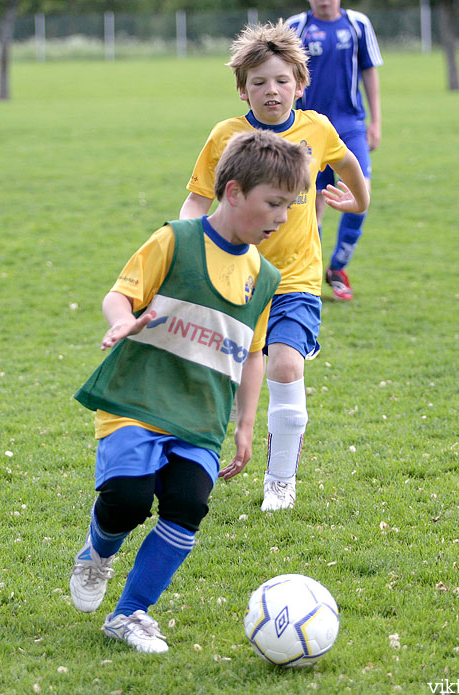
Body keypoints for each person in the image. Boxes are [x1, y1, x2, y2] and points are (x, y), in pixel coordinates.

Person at [69, 130, 310, 654]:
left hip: (201, 414)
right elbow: (120, 295)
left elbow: (251, 355)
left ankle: (130, 613)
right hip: (137, 398)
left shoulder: (265, 277)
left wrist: (246, 424)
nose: (282, 218)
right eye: (274, 203)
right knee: (127, 499)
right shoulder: (174, 240)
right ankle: (98, 549)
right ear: (233, 192)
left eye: (290, 207)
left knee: (187, 503)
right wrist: (120, 324)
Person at [180, 20, 369, 512]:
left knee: (285, 363)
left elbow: (353, 171)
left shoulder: (318, 130)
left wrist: (357, 202)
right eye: (259, 82)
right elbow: (197, 202)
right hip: (236, 279)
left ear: (300, 85)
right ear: (242, 90)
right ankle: (189, 469)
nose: (271, 90)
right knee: (223, 378)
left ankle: (280, 483)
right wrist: (189, 245)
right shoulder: (227, 136)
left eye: (282, 80)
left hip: (297, 276)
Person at [288, 0, 383, 301]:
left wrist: (376, 121)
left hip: (350, 126)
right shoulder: (296, 27)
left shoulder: (358, 24)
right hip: (308, 130)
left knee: (360, 198)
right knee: (311, 209)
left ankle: (337, 269)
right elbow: (282, 77)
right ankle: (307, 280)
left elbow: (369, 72)